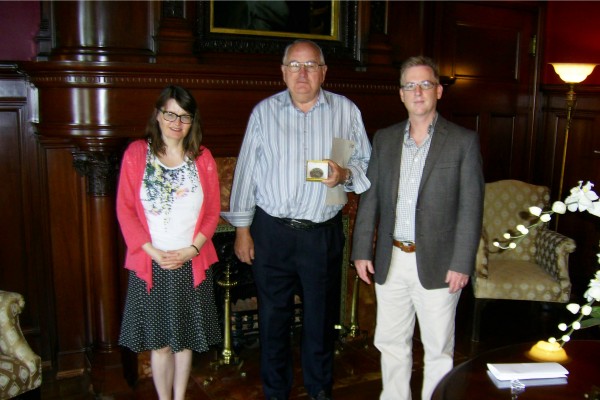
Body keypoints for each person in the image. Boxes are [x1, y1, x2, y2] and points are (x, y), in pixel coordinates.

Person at [222, 39, 371, 400]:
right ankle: (276, 392)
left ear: (323, 72)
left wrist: (345, 175)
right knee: (273, 321)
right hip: (272, 232)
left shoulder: (346, 111)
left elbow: (365, 164)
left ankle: (320, 390)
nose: (302, 74)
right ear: (283, 71)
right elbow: (246, 174)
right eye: (294, 65)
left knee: (320, 322)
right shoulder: (263, 113)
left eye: (310, 66)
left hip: (322, 234)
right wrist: (242, 230)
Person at [351, 56, 484, 400]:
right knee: (391, 342)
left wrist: (462, 262)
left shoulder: (463, 141)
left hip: (440, 263)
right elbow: (371, 198)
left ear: (438, 91)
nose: (418, 91)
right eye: (410, 85)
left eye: (425, 84)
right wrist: (362, 250)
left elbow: (471, 208)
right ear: (401, 94)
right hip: (392, 258)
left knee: (438, 348)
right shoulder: (384, 139)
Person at [116, 85, 222, 400]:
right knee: (160, 343)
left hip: (190, 264)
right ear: (158, 115)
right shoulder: (137, 153)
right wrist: (152, 252)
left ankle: (180, 397)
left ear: (193, 121)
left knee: (185, 341)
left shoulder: (202, 158)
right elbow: (125, 210)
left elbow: (213, 212)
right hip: (152, 263)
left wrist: (192, 250)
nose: (177, 122)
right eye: (170, 114)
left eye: (184, 116)